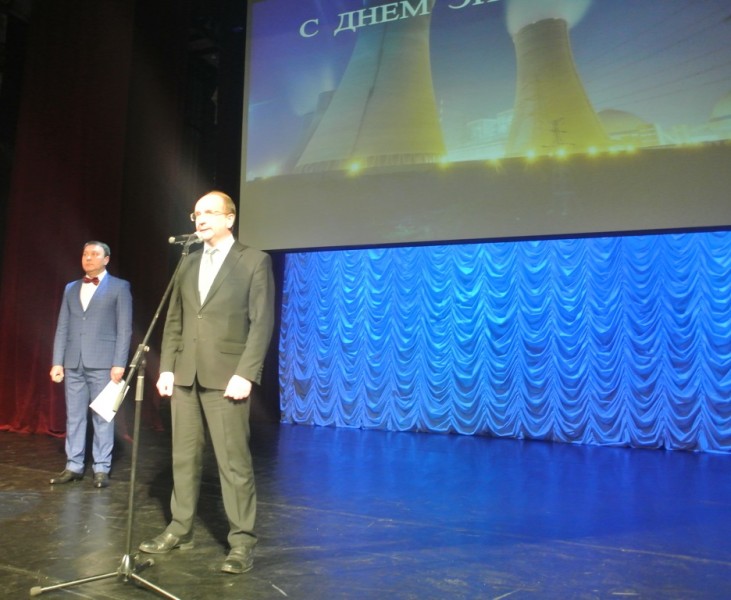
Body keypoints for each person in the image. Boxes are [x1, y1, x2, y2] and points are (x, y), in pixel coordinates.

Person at [138, 190, 275, 575]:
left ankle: (241, 541)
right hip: (185, 374)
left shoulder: (254, 260)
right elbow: (176, 319)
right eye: (196, 213)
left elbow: (261, 322)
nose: (200, 219)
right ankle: (180, 528)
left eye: (210, 212)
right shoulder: (188, 260)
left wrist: (246, 373)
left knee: (233, 463)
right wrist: (167, 367)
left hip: (227, 377)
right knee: (183, 457)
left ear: (230, 219)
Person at [49, 241, 133, 489]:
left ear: (106, 259)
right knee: (74, 417)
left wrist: (119, 363)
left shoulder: (119, 287)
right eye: (85, 254)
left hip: (104, 363)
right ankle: (74, 465)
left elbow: (124, 328)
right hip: (74, 362)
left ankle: (101, 467)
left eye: (94, 254)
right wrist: (57, 362)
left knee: (103, 416)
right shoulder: (71, 288)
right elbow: (63, 327)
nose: (88, 258)